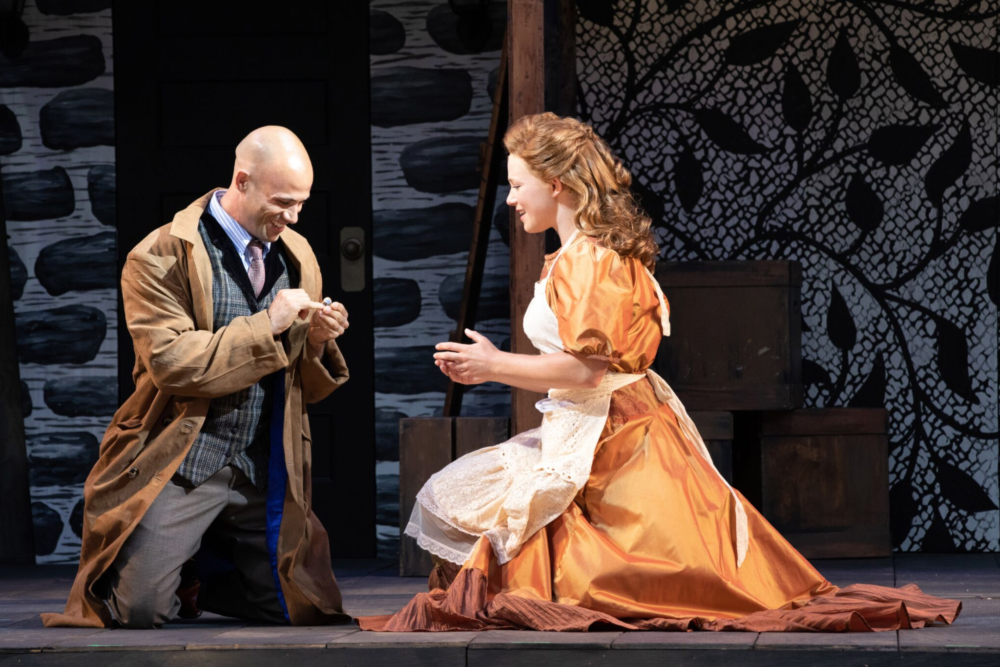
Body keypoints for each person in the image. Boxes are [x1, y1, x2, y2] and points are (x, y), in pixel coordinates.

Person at [360, 113, 961, 632]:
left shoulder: (590, 261)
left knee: (621, 570)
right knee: (480, 510)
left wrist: (493, 365)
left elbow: (587, 370)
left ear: (557, 183)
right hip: (597, 423)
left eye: (518, 185)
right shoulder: (578, 258)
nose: (512, 198)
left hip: (615, 431)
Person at [43, 127, 352, 629]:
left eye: (301, 204)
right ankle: (182, 563)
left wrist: (317, 339)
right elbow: (171, 362)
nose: (293, 217)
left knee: (303, 610)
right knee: (138, 611)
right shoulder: (159, 256)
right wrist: (267, 324)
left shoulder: (297, 254)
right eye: (282, 202)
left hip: (261, 462)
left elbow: (305, 384)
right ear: (242, 181)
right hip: (184, 457)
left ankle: (205, 565)